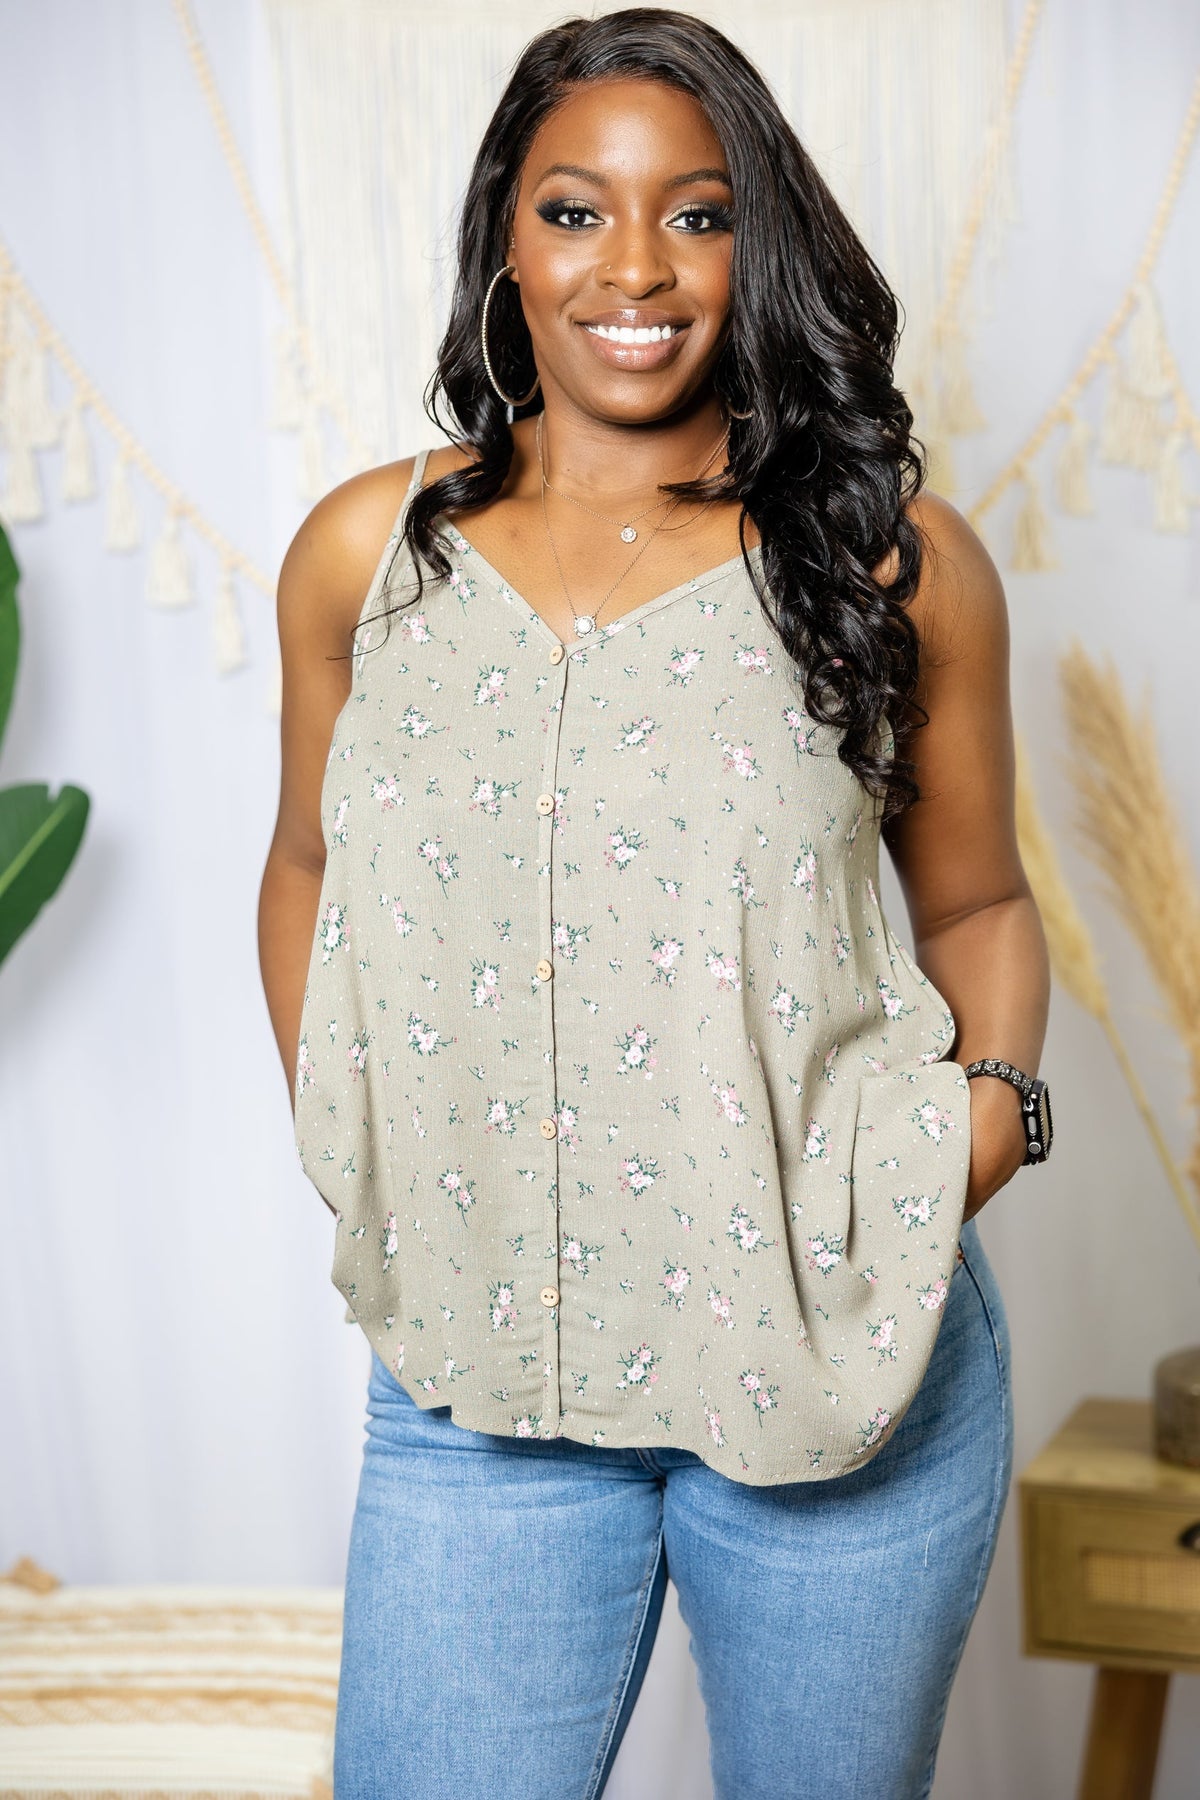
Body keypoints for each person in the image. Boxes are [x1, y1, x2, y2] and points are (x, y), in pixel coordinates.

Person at [257, 9, 1051, 1797]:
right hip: (478, 1380)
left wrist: (979, 1131)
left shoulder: (886, 563)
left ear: (759, 247)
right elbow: (308, 864)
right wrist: (353, 1132)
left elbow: (983, 903)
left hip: (836, 1343)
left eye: (698, 215)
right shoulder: (369, 557)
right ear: (505, 241)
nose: (635, 268)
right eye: (575, 211)